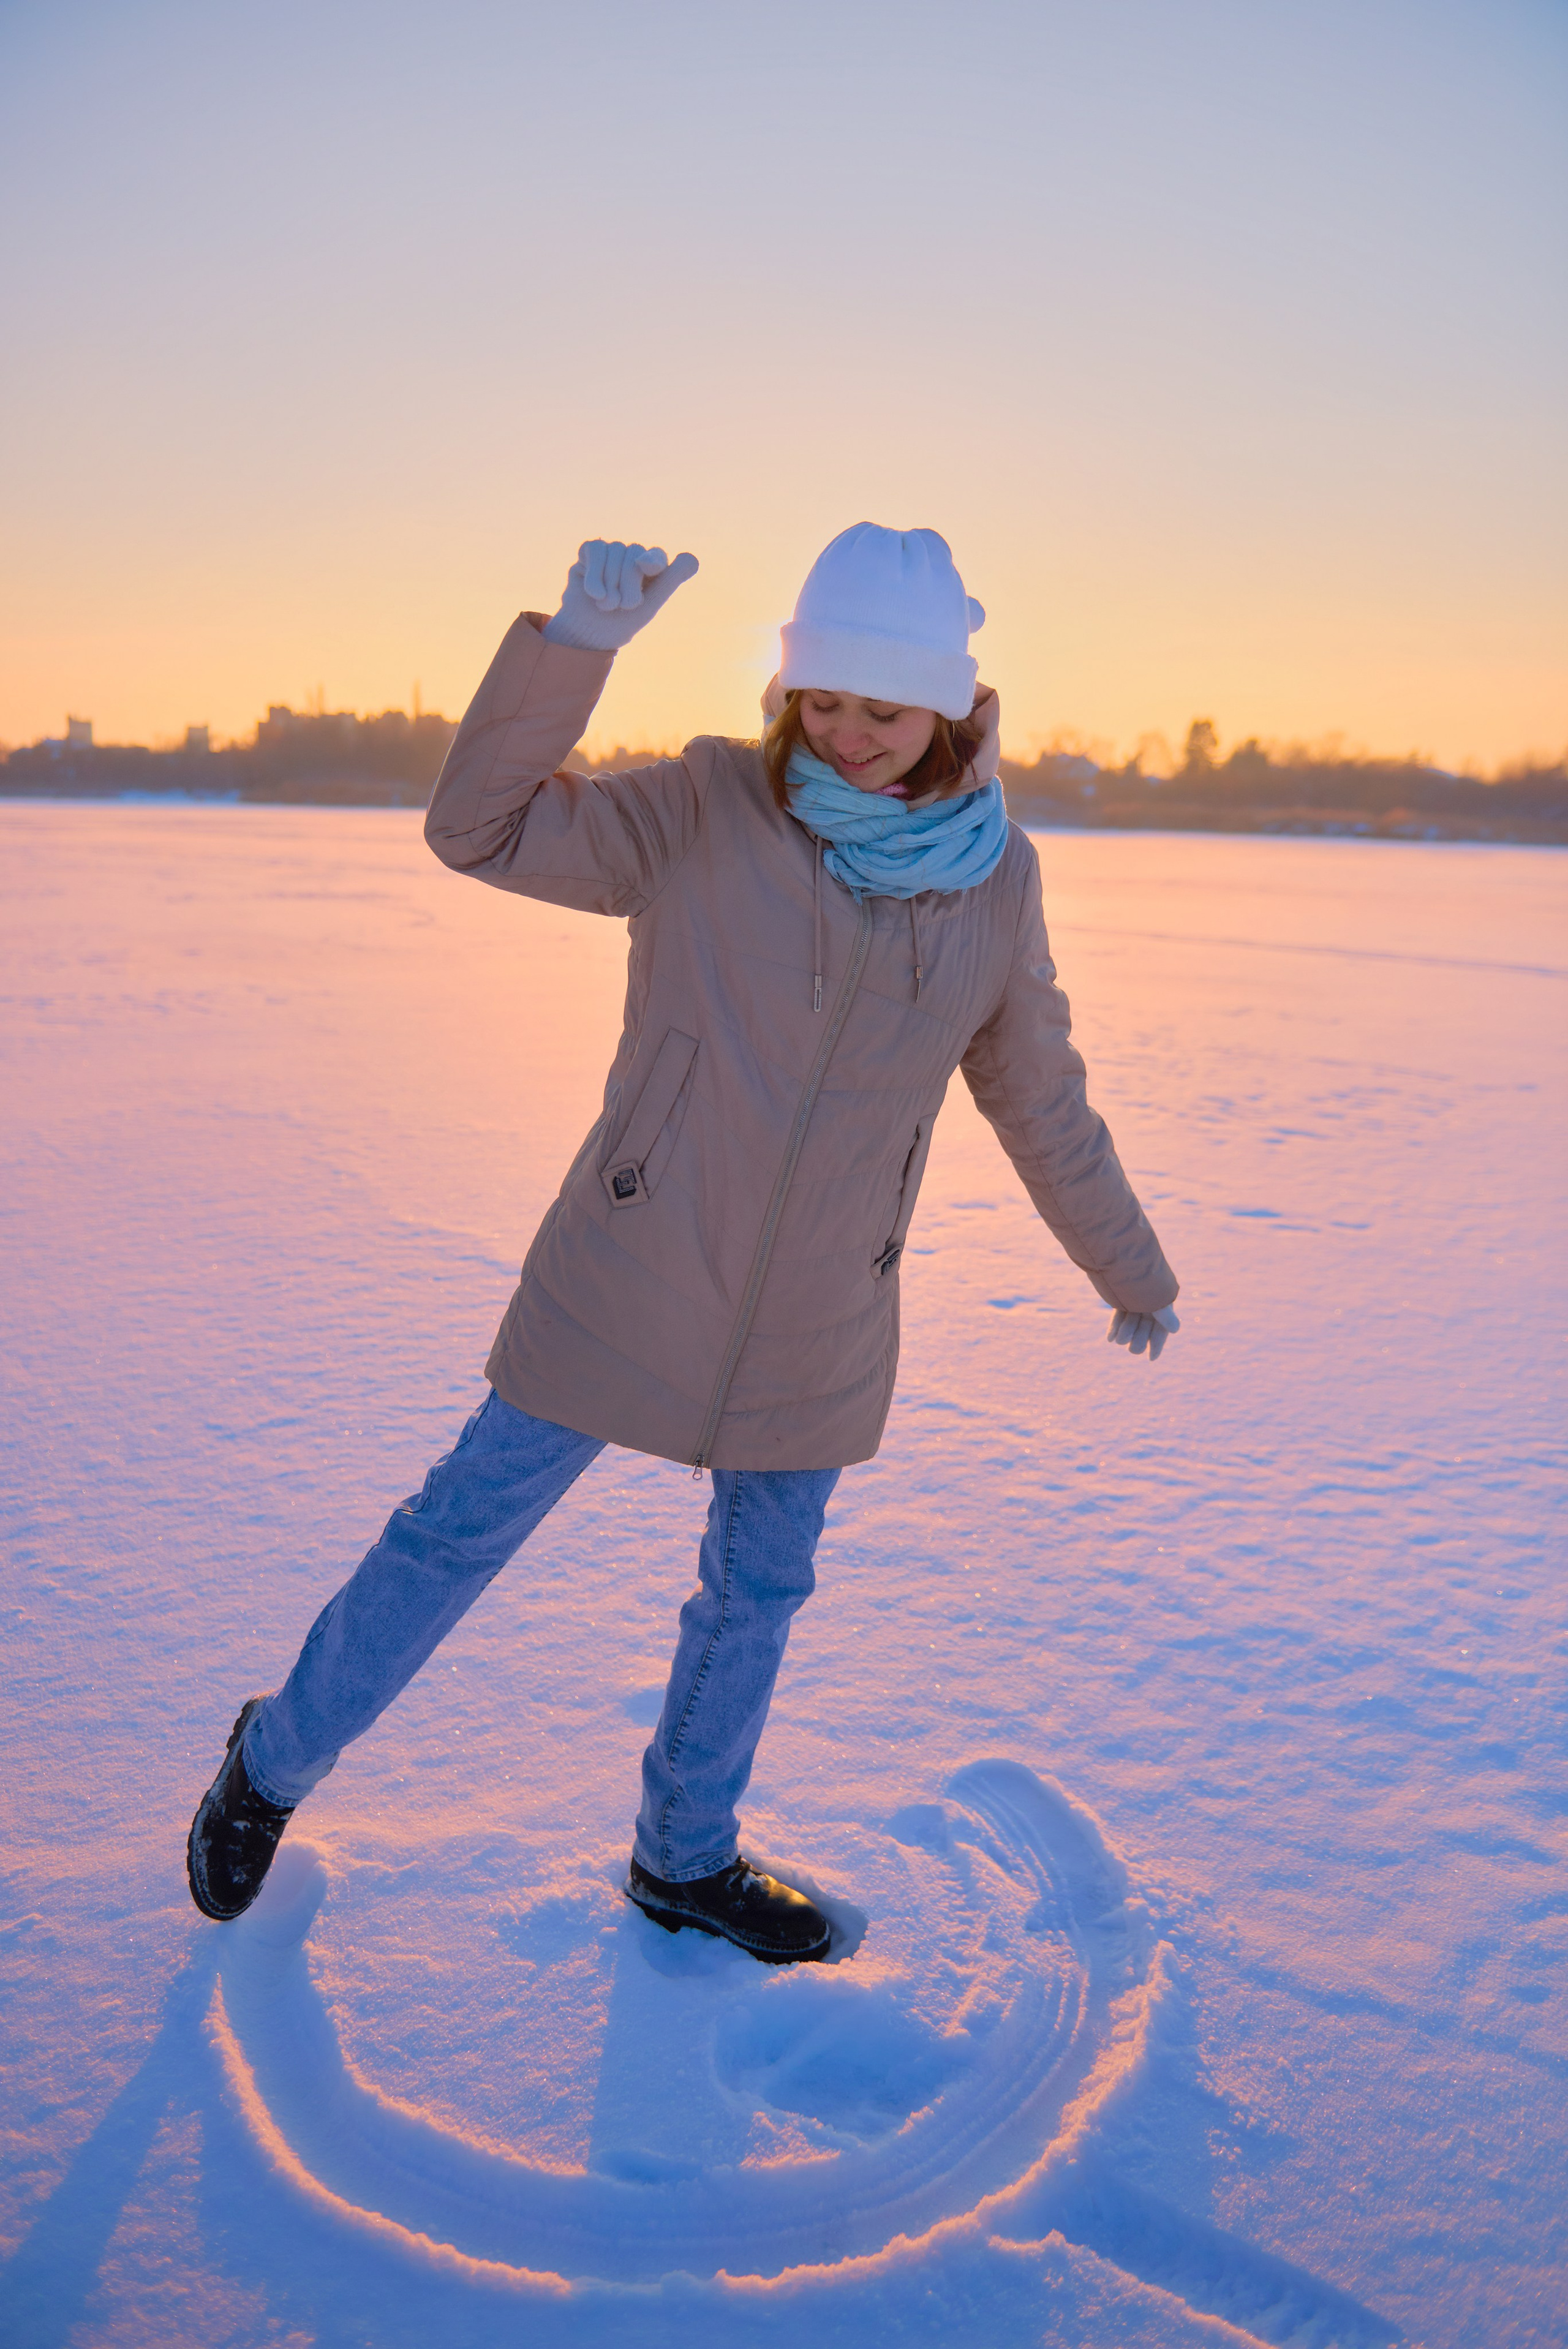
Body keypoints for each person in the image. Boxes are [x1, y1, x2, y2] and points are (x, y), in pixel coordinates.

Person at [187, 523, 1180, 1965]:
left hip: (823, 1312)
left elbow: (1034, 1088)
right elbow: (482, 829)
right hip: (633, 1262)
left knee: (756, 1593)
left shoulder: (995, 877)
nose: (839, 735)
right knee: (457, 1530)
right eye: (818, 700)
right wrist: (574, 652)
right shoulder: (708, 804)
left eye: (877, 710)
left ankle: (683, 1858)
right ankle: (269, 1764)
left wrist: (1126, 1264)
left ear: (951, 710)